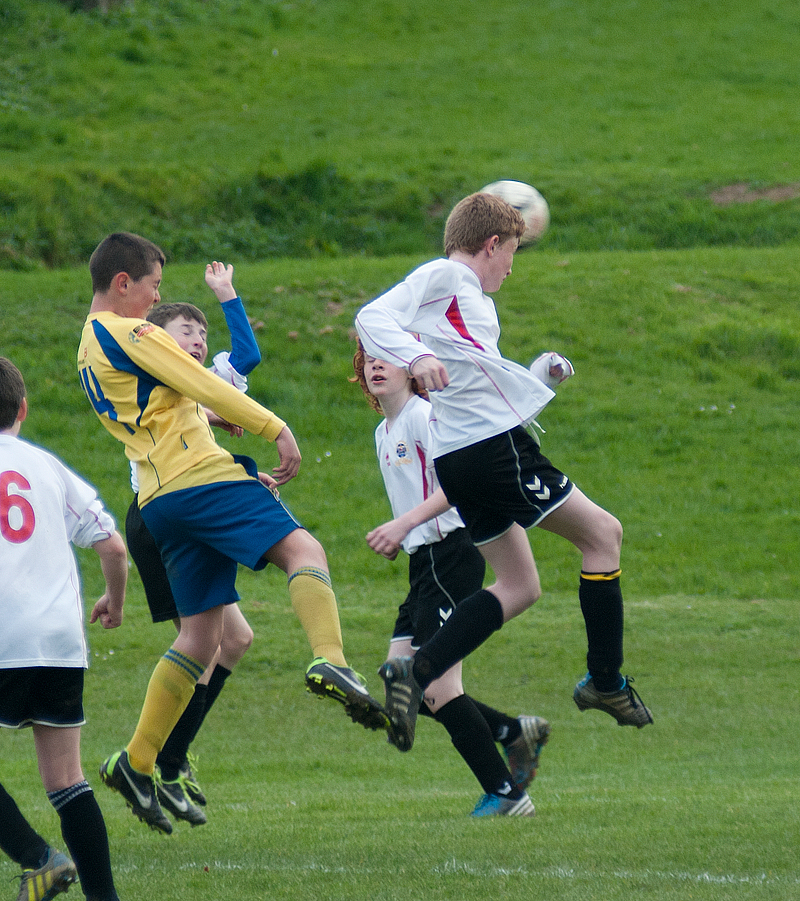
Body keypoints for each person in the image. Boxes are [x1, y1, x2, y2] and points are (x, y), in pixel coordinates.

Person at [78, 232, 388, 835]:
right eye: (154, 287)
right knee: (304, 549)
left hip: (158, 498)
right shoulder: (131, 331)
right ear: (123, 283)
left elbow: (165, 403)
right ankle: (331, 661)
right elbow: (201, 381)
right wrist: (275, 427)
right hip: (200, 477)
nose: (156, 298)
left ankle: (136, 762)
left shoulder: (87, 346)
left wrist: (210, 420)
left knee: (201, 639)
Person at [354, 191, 653, 761]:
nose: (512, 267)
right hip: (492, 450)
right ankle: (605, 681)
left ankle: (417, 671)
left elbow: (478, 381)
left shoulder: (463, 304)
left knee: (519, 587)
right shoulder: (448, 275)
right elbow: (370, 317)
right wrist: (416, 360)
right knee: (603, 535)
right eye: (513, 251)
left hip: (462, 455)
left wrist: (539, 377)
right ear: (491, 244)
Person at [352, 343, 550, 817]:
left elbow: (454, 486)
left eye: (386, 357)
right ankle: (511, 732)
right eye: (369, 359)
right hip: (424, 562)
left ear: (413, 368)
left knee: (434, 685)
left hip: (453, 551)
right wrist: (405, 534)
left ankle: (507, 794)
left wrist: (403, 525)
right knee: (400, 682)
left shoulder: (424, 417)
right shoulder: (384, 431)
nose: (376, 365)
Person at [123, 261, 260, 828]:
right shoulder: (149, 373)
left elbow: (246, 355)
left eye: (202, 334)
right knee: (201, 644)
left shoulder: (206, 376)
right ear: (158, 339)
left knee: (236, 639)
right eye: (187, 331)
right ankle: (158, 764)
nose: (199, 341)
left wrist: (227, 296)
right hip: (160, 516)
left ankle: (170, 759)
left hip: (195, 507)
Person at [0, 357, 127, 901]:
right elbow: (112, 546)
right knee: (66, 779)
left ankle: (40, 860)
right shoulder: (48, 467)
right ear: (23, 409)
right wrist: (114, 600)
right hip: (57, 640)